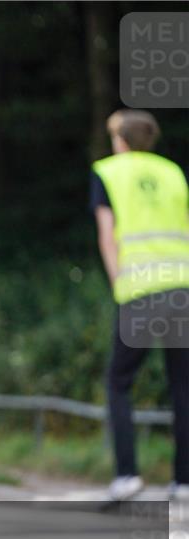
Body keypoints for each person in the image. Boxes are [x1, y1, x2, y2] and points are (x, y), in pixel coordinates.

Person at [89, 109, 189, 501]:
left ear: (121, 141)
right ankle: (184, 483)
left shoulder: (109, 172)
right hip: (183, 288)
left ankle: (127, 476)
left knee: (118, 382)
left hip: (140, 290)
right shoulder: (173, 173)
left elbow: (107, 235)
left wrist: (119, 285)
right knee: (183, 386)